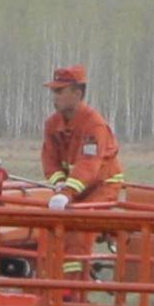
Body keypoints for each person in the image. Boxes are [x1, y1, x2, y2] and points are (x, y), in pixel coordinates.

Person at [40, 66, 122, 203]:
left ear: (77, 94)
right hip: (73, 188)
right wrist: (59, 184)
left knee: (84, 222)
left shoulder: (94, 125)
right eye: (53, 92)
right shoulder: (52, 124)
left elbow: (88, 163)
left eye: (59, 92)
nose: (54, 97)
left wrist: (67, 191)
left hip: (102, 187)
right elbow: (50, 160)